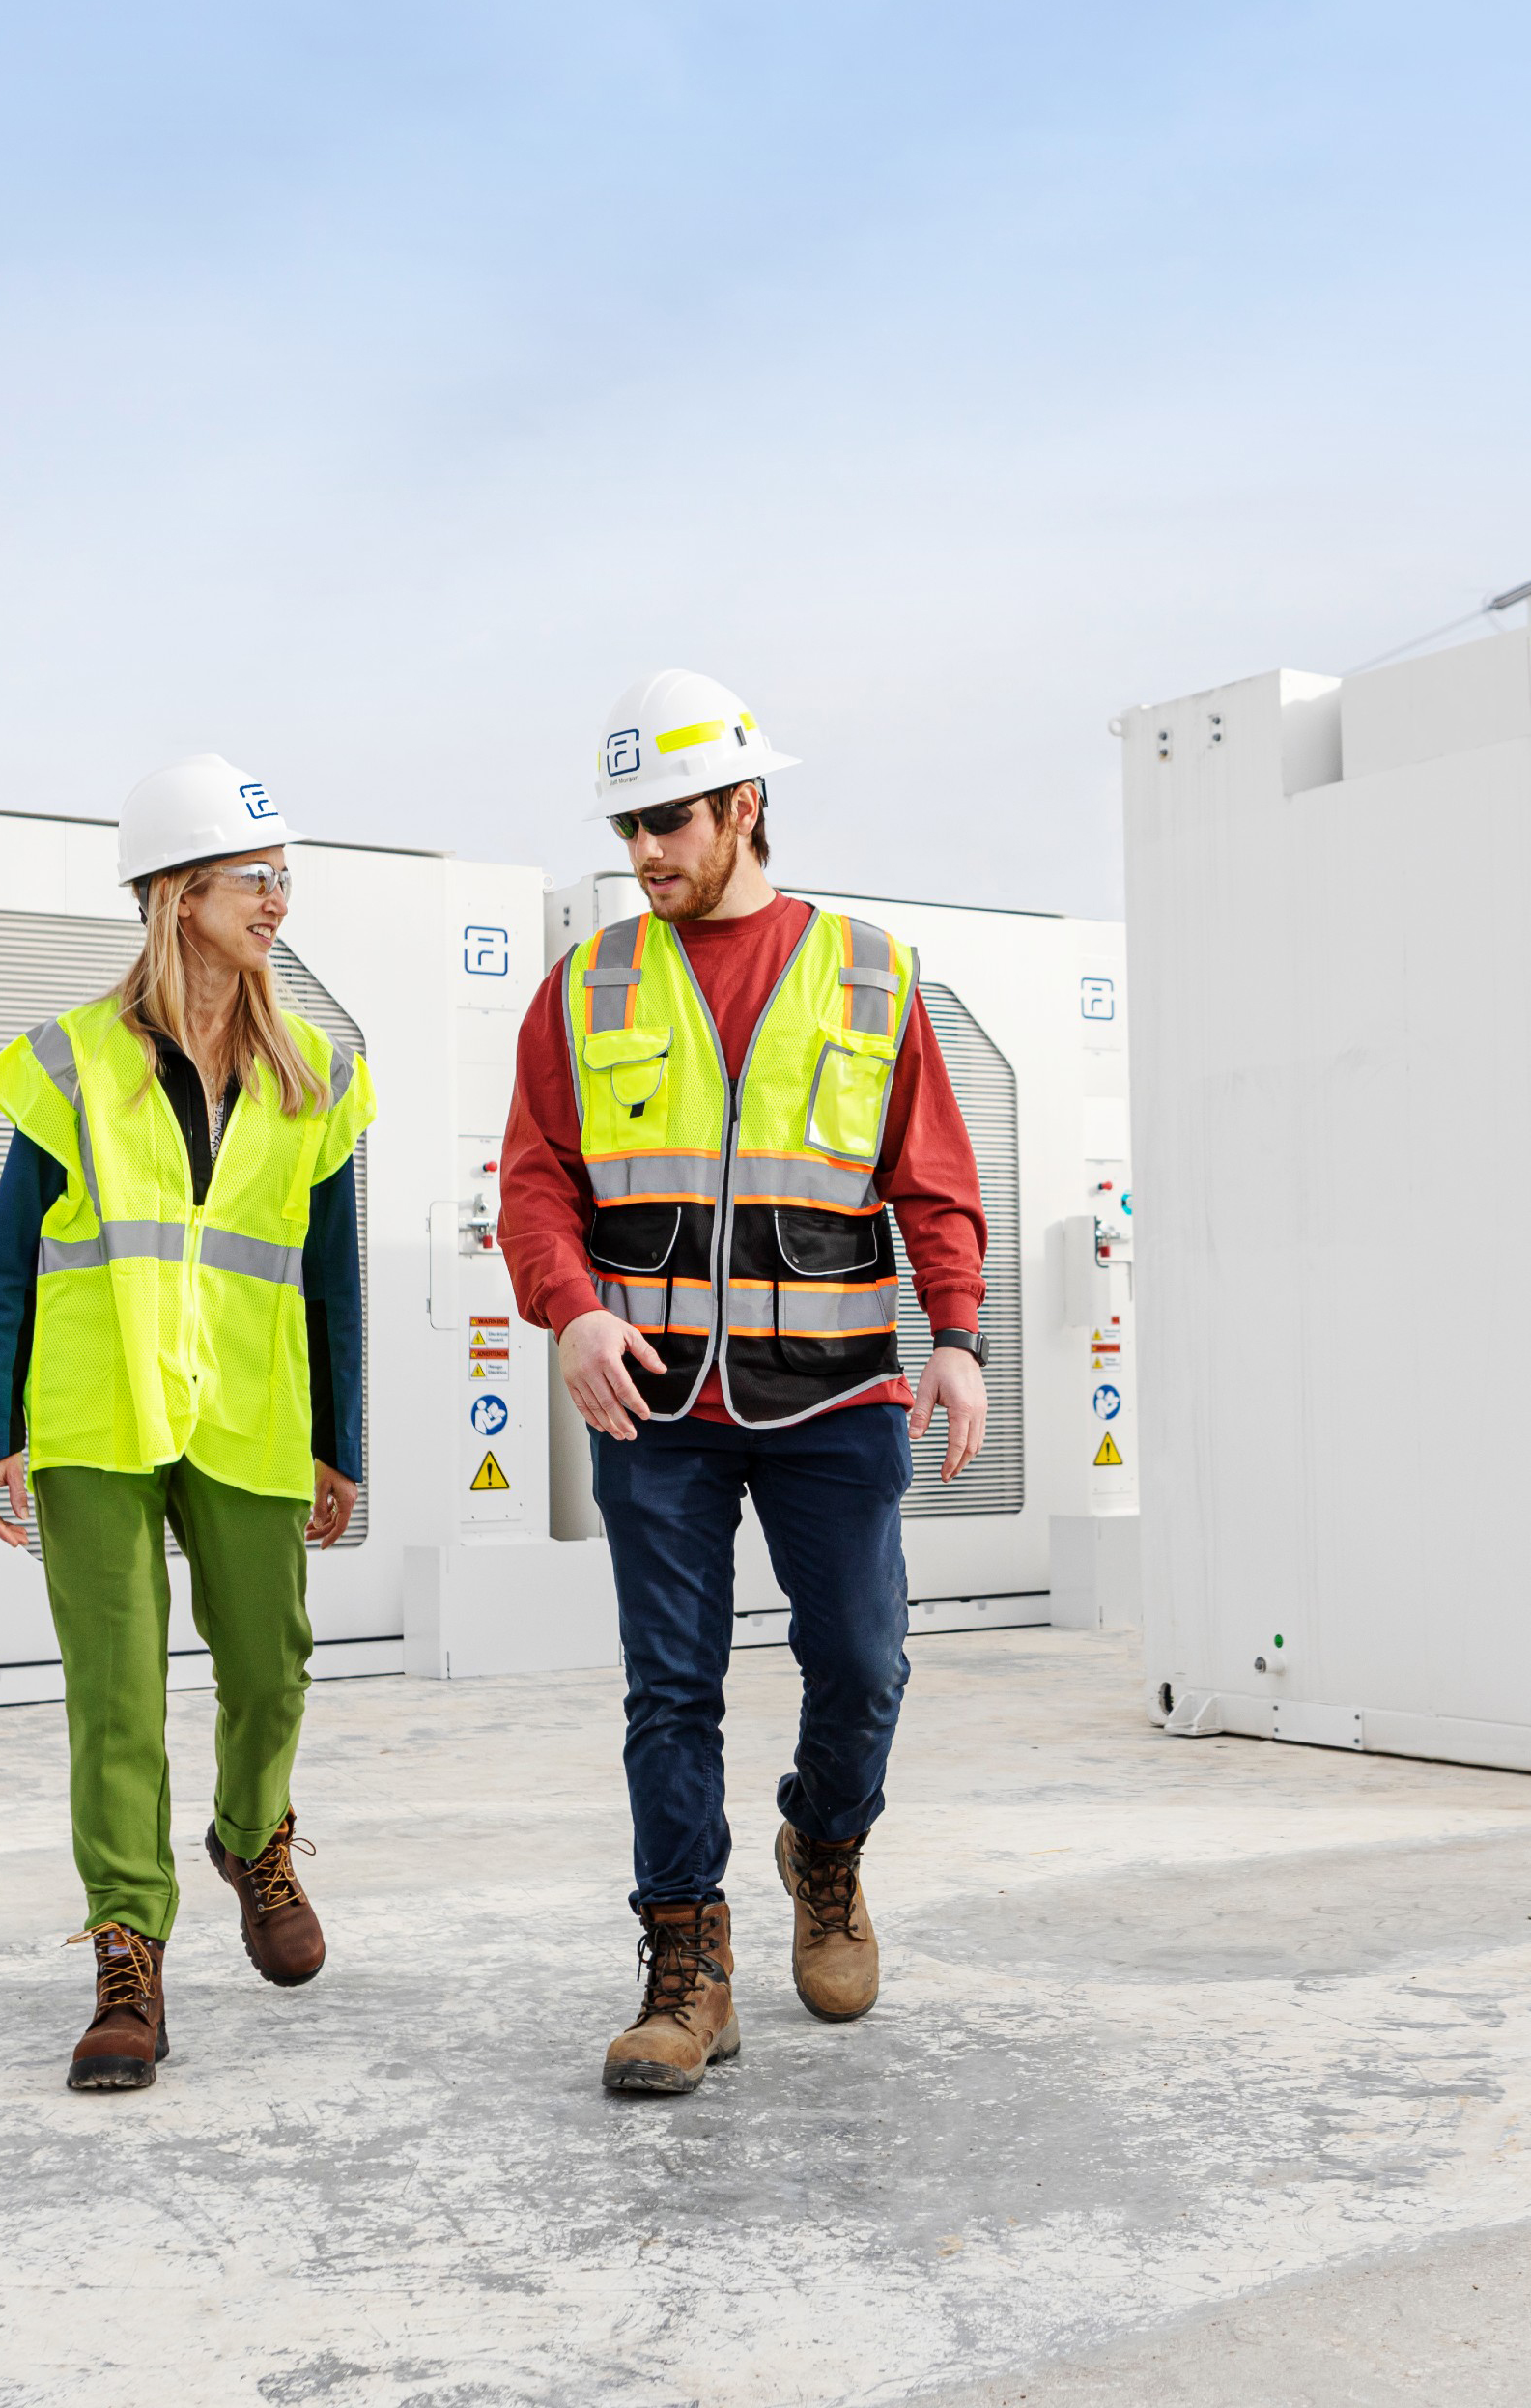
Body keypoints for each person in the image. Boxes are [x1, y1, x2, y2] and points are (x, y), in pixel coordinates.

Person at [499, 668, 991, 2098]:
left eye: (671, 822)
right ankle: (684, 1963)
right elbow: (535, 1180)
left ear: (746, 807)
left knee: (860, 1664)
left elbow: (932, 1181)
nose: (645, 854)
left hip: (836, 1398)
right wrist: (572, 1312)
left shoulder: (868, 974)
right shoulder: (584, 988)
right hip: (654, 1407)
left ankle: (823, 1851)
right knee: (672, 1688)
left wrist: (953, 1334)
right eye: (628, 827)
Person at [0, 757, 374, 2094]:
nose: (277, 901)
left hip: (251, 1414)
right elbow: (8, 1258)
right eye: (256, 878)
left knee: (270, 1669)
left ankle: (254, 1837)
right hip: (94, 1411)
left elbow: (335, 1272)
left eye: (282, 877)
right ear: (180, 891)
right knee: (118, 1700)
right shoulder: (75, 1060)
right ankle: (127, 1956)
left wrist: (343, 1440)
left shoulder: (313, 1067)